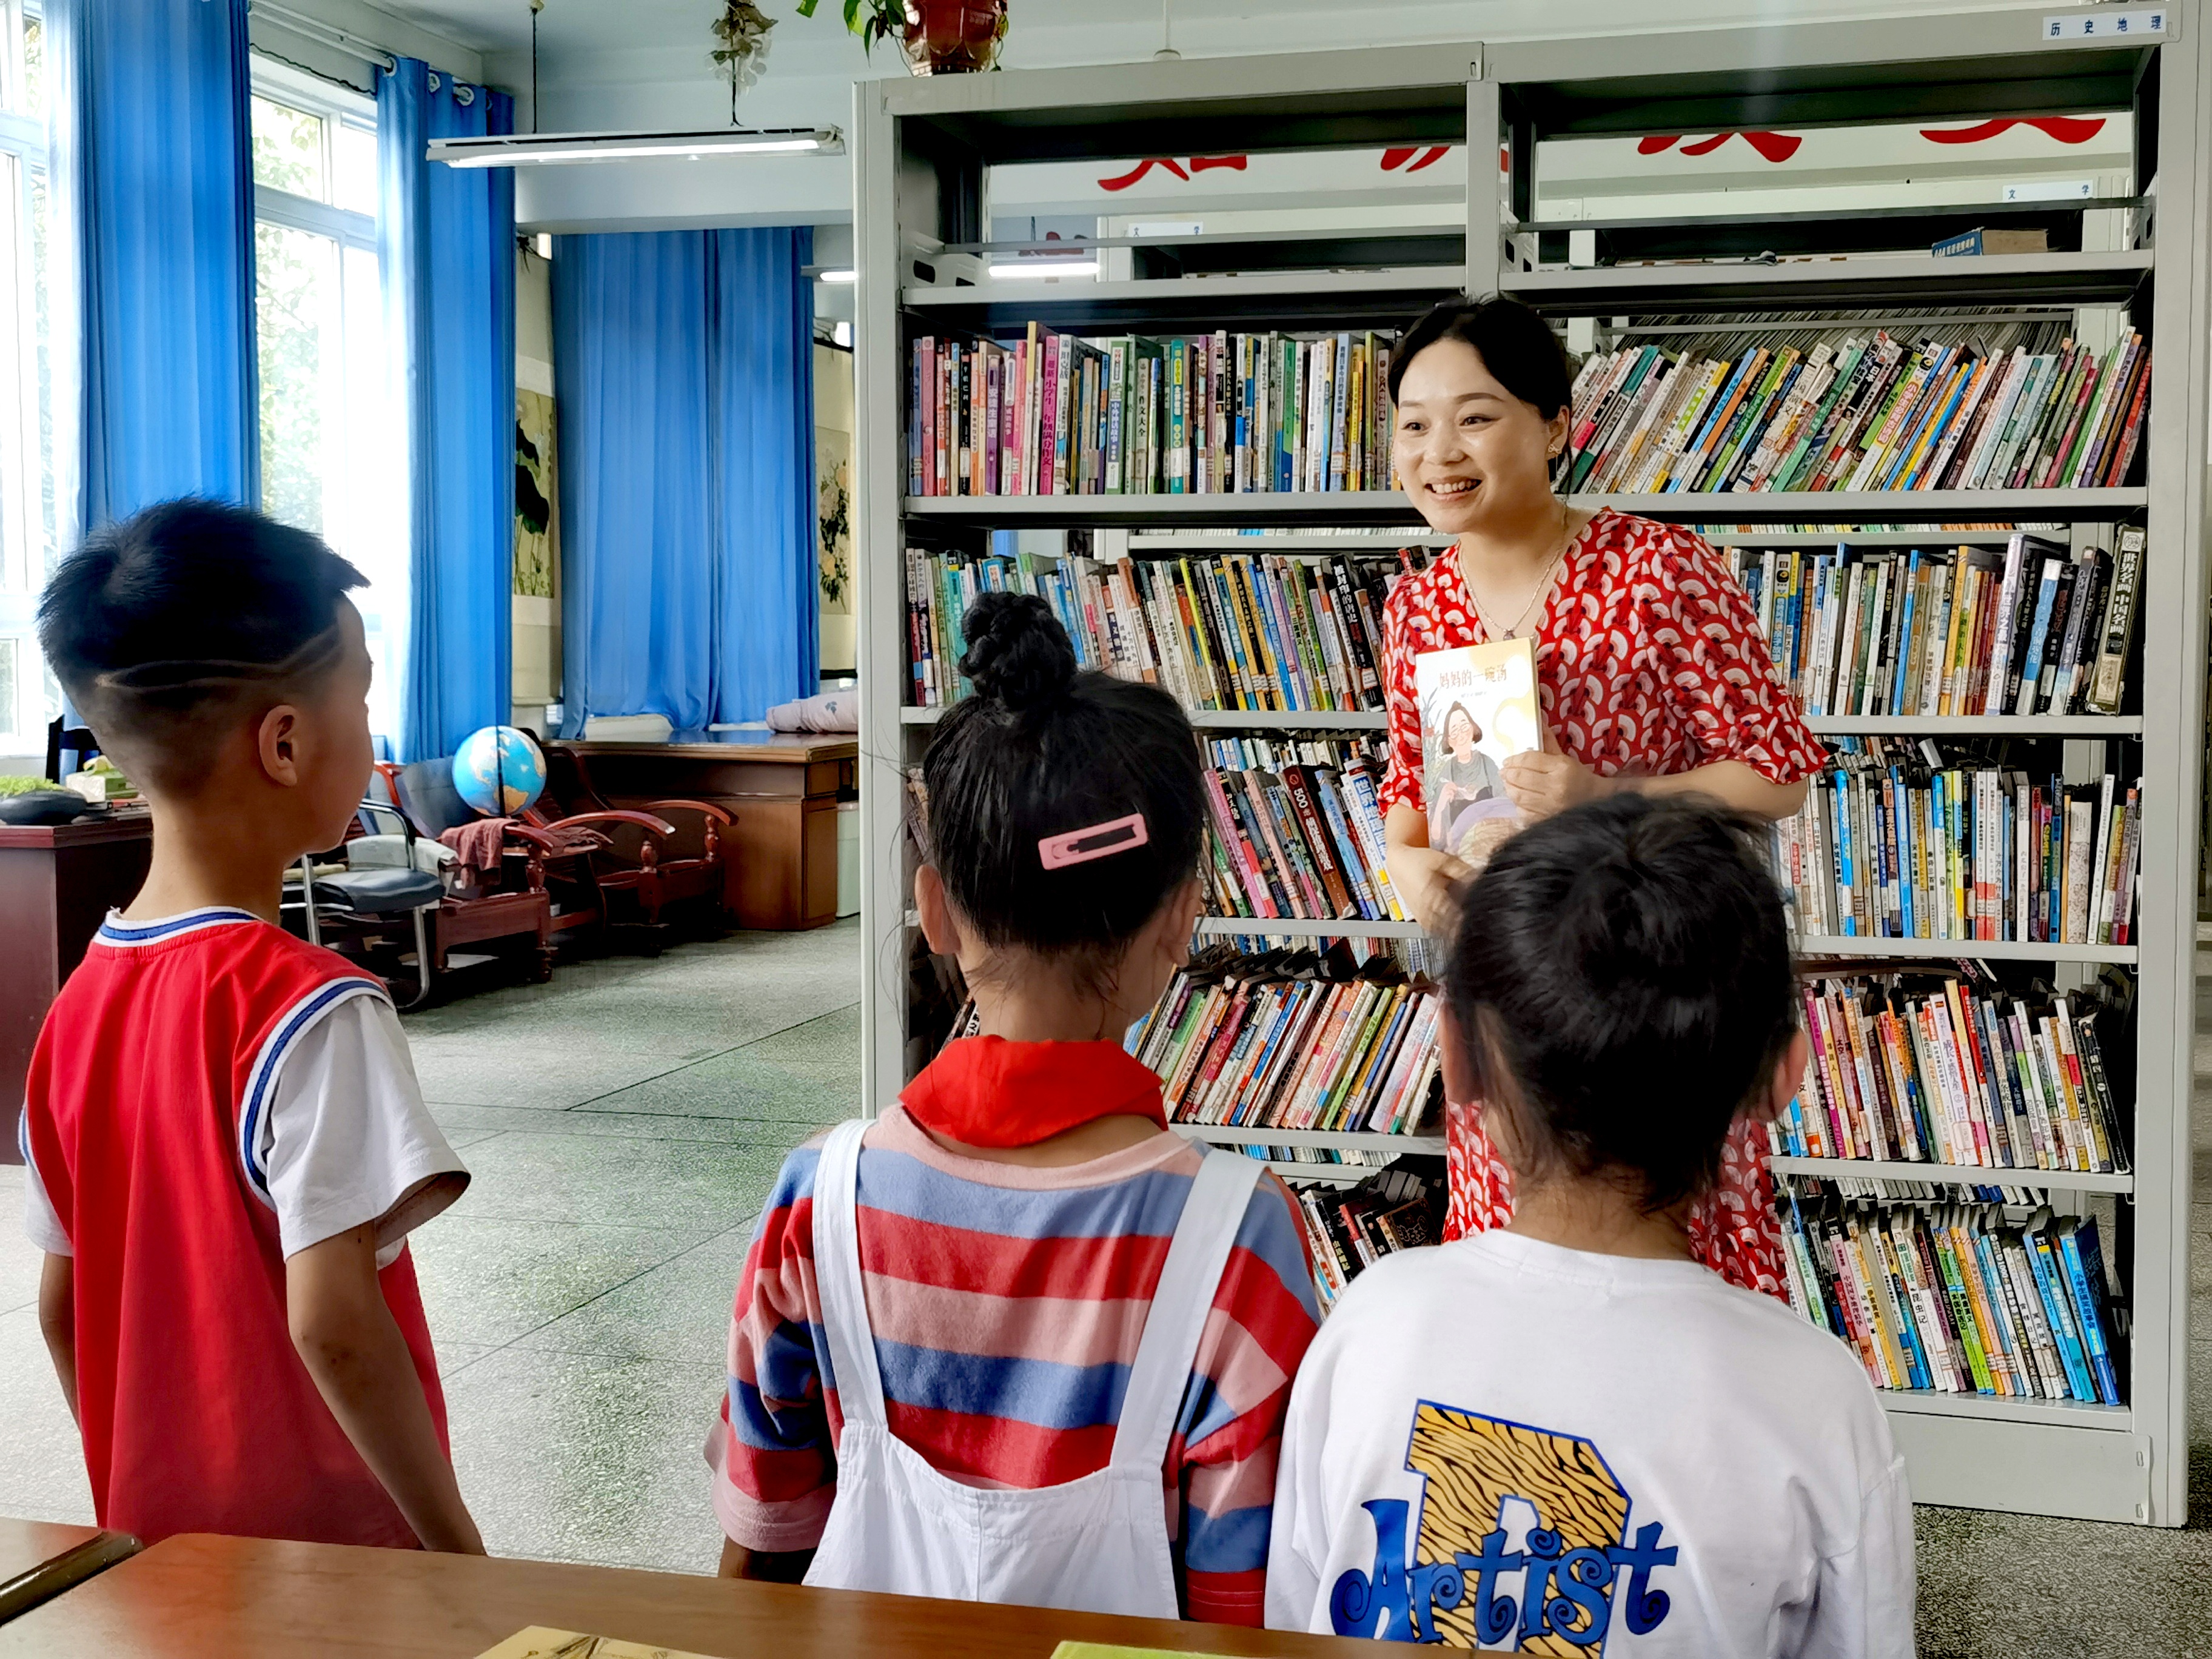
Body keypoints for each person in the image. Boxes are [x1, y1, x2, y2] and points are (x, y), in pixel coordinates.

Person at [706, 592, 1319, 1625]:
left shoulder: (820, 1193)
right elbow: (1238, 1606)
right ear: (1180, 918)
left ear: (935, 908)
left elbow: (763, 1542)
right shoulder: (1239, 1235)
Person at [1267, 795, 1913, 1655]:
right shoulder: (1816, 1398)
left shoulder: (1367, 1321)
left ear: (1456, 1062)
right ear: (1785, 1076)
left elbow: (1290, 1621)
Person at [19, 498, 481, 1553]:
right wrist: (455, 1549)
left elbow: (62, 1307)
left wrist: (136, 1485)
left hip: (166, 1564)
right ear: (284, 741)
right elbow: (332, 1322)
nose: (371, 735)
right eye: (362, 697)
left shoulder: (77, 1008)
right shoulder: (312, 1007)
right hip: (335, 1570)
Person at [1375, 295, 1826, 1291]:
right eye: (1413, 423)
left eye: (1476, 416)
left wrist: (1606, 791)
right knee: (1519, 1272)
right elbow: (1410, 791)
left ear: (1554, 426)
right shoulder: (1416, 603)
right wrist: (1406, 864)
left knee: (1673, 1258)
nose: (1438, 450)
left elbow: (1779, 772)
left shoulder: (1660, 570)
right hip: (1514, 989)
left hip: (1654, 985)